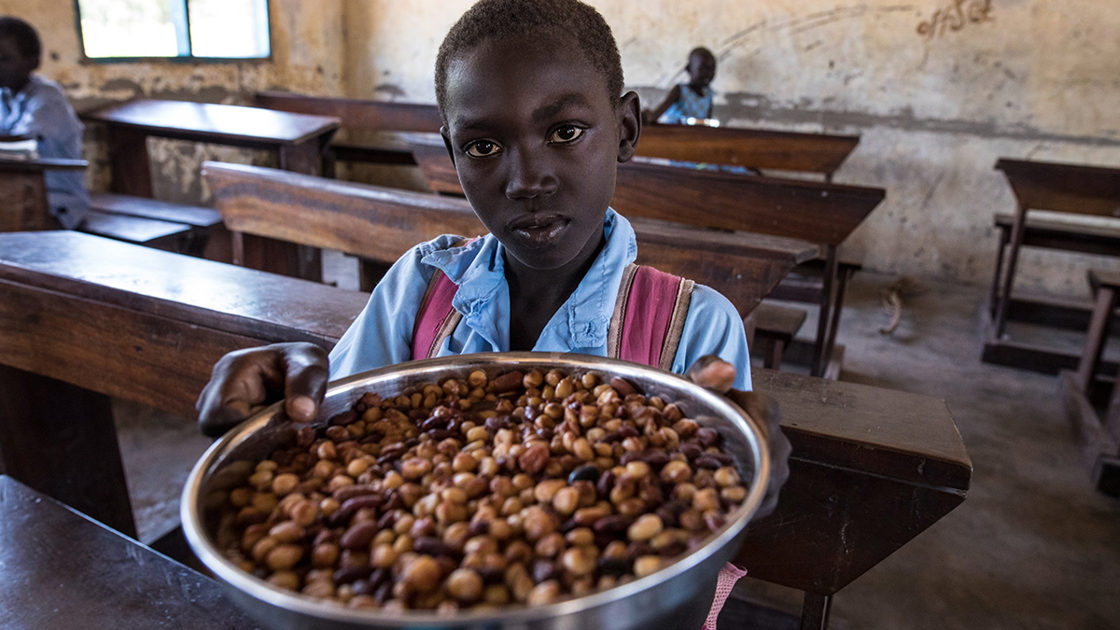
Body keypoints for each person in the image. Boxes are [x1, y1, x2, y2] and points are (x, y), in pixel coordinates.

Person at [196, 0, 790, 624]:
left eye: (564, 132)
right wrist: (280, 410)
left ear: (626, 130)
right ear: (450, 151)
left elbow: (699, 532)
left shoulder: (694, 326)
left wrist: (749, 467)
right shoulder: (419, 289)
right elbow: (330, 442)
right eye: (483, 144)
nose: (527, 178)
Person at [0, 16, 89, 229]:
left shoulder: (48, 98)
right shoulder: (4, 96)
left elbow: (21, 143)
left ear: (32, 61)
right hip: (16, 197)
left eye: (3, 59)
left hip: (56, 201)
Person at [643, 46, 716, 125]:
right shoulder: (680, 90)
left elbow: (707, 122)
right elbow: (655, 115)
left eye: (711, 69)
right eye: (702, 69)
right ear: (689, 69)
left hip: (699, 136)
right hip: (676, 135)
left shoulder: (709, 94)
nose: (708, 74)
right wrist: (648, 116)